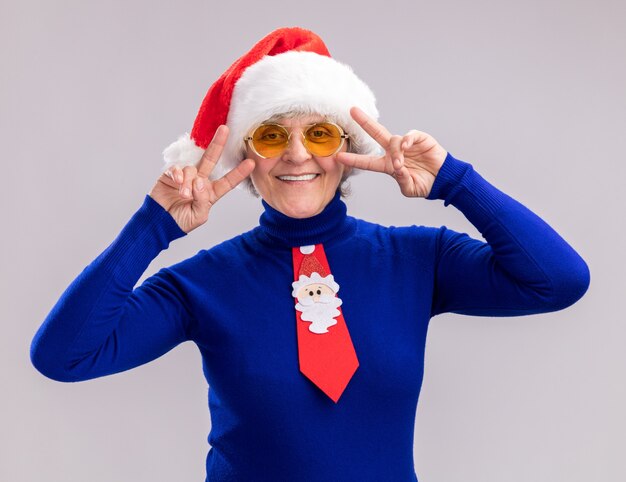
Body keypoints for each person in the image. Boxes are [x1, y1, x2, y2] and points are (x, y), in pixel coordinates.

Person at [30, 27, 590, 481]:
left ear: (347, 148)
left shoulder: (418, 259)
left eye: (319, 133)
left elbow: (559, 281)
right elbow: (63, 357)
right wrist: (153, 226)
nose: (297, 155)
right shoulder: (201, 284)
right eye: (272, 135)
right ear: (247, 153)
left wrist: (454, 182)